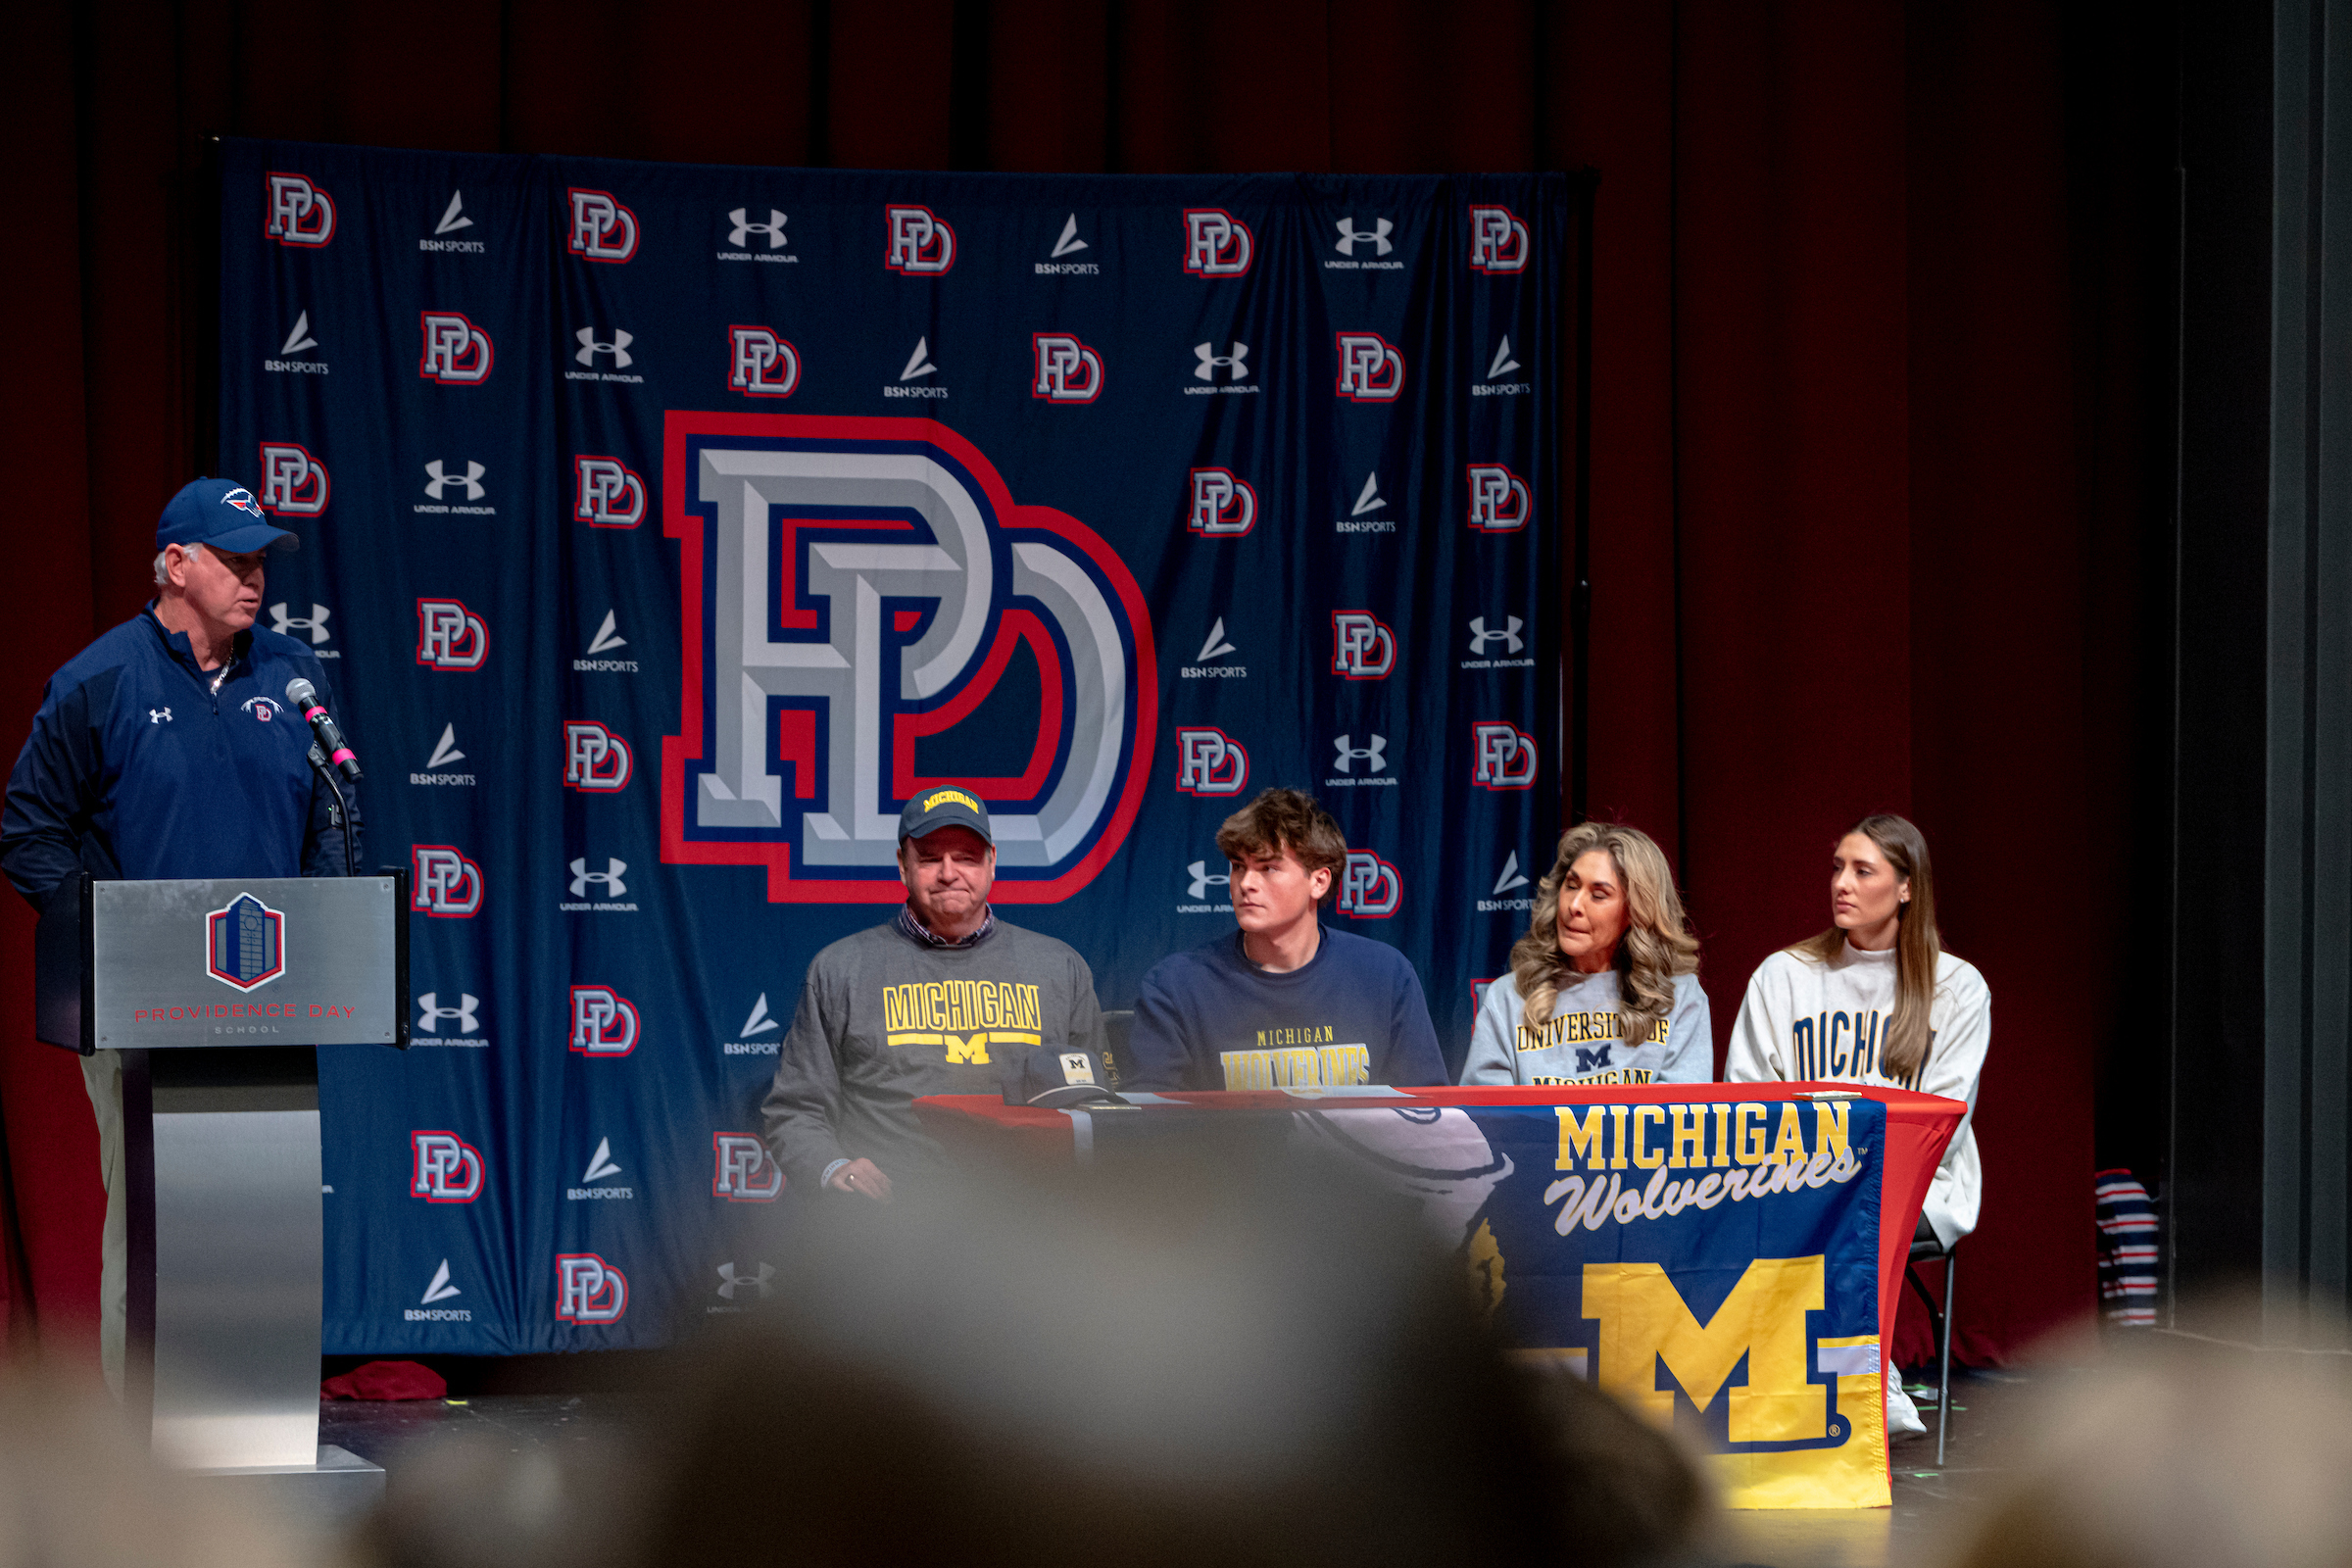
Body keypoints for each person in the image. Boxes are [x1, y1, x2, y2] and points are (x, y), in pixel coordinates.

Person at [0, 477, 350, 1396]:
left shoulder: (293, 676)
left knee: (261, 1222)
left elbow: (331, 817)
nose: (254, 578)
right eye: (234, 559)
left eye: (261, 560)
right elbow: (29, 832)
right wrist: (107, 935)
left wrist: (322, 929)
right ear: (175, 565)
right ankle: (141, 1440)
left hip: (271, 997)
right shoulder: (100, 680)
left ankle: (253, 1418)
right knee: (154, 1222)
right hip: (141, 1005)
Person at [1721, 811, 1989, 1438]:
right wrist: (1812, 1170)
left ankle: (1861, 1368)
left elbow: (1943, 1123)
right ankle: (1857, 1370)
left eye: (1863, 871)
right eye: (1838, 867)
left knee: (1848, 1211)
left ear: (1906, 887)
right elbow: (1745, 1099)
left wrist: (1848, 1175)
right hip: (1796, 1178)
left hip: (1919, 1190)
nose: (1841, 883)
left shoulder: (1957, 988)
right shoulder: (1784, 975)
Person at [760, 787, 1106, 1201]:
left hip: (1029, 1211)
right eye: (929, 858)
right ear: (902, 865)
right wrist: (832, 1167)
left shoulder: (1060, 967)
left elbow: (1099, 1105)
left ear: (992, 863)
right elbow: (796, 1109)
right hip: (892, 1216)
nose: (948, 873)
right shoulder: (839, 969)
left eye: (966, 857)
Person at [1124, 788, 1446, 1091]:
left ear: (1319, 882)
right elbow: (1152, 1123)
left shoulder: (1385, 975)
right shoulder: (1177, 986)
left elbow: (1426, 1114)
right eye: (1238, 866)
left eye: (1268, 868)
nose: (1246, 883)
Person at [1459, 820, 1710, 1086]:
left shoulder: (1679, 997)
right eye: (1571, 885)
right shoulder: (1508, 997)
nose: (1574, 905)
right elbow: (1486, 1109)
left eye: (1598, 895)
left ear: (1636, 912)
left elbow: (1683, 1109)